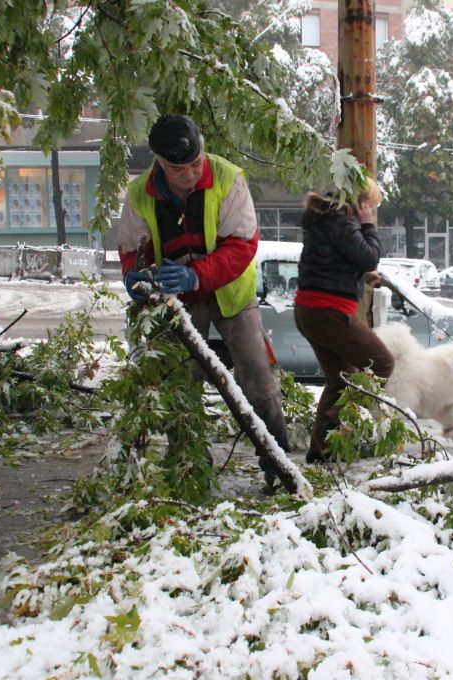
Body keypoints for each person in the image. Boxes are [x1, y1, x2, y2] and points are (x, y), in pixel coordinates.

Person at [116, 113, 291, 482]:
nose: (191, 174)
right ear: (160, 163)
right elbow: (133, 252)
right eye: (180, 169)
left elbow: (243, 246)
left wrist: (196, 275)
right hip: (175, 299)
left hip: (230, 293)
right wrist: (136, 276)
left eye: (196, 164)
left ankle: (278, 461)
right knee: (179, 382)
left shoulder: (228, 179)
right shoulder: (139, 194)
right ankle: (189, 465)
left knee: (257, 377)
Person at [293, 180, 394, 462]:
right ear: (362, 203)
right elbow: (369, 256)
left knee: (341, 379)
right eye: (371, 205)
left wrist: (359, 278)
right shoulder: (342, 218)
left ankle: (322, 453)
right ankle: (343, 429)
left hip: (311, 309)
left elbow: (331, 262)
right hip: (328, 311)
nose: (372, 210)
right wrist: (368, 225)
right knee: (382, 363)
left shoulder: (326, 217)